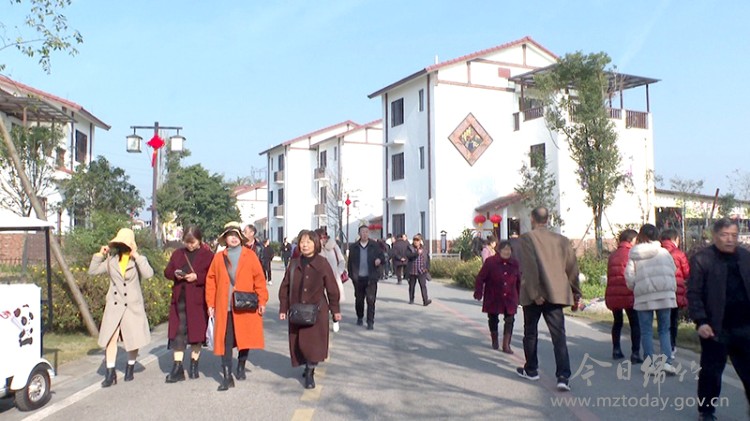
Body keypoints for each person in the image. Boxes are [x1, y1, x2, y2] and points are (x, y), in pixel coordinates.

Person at [688, 218, 750, 420]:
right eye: (725, 235)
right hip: (715, 327)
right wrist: (701, 321)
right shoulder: (702, 259)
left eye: (734, 235)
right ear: (714, 236)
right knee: (711, 372)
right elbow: (694, 293)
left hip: (744, 326)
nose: (730, 239)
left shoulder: (745, 257)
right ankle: (706, 411)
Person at [516, 207, 581, 392]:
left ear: (532, 218)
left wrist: (535, 293)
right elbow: (572, 268)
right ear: (548, 219)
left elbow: (530, 267)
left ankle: (531, 369)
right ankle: (563, 376)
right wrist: (576, 291)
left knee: (530, 333)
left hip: (534, 296)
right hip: (556, 293)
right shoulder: (562, 240)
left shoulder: (527, 238)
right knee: (558, 336)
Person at [206, 222, 269, 391]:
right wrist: (210, 303)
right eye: (230, 235)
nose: (233, 238)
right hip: (224, 306)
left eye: (236, 235)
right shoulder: (218, 258)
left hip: (245, 304)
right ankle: (227, 376)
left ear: (240, 238)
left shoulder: (250, 256)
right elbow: (211, 281)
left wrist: (262, 301)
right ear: (225, 239)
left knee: (244, 337)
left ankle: (241, 364)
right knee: (225, 341)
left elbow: (259, 280)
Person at [88, 228, 154, 387]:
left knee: (133, 339)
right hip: (115, 305)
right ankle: (110, 373)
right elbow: (92, 271)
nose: (123, 247)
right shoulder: (111, 261)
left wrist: (137, 256)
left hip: (132, 305)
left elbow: (148, 274)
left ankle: (130, 366)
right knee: (110, 338)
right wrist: (100, 255)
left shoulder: (137, 260)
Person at [279, 229, 342, 389]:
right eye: (302, 242)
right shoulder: (294, 263)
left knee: (314, 344)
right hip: (297, 310)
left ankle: (310, 372)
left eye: (308, 242)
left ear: (316, 244)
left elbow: (332, 288)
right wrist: (283, 308)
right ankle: (306, 364)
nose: (305, 245)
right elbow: (285, 287)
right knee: (299, 342)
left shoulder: (322, 263)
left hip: (317, 311)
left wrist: (335, 310)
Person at [625, 223, 677, 375]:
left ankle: (649, 364)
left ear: (641, 236)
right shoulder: (664, 253)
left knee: (646, 331)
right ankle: (667, 363)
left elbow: (629, 276)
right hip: (665, 295)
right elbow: (673, 270)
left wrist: (635, 287)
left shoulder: (634, 254)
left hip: (644, 296)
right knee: (664, 330)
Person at [163, 226, 214, 383]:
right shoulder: (178, 253)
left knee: (196, 334)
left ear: (199, 240)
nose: (190, 245)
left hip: (197, 300)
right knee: (178, 333)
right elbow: (167, 272)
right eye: (187, 242)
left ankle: (194, 364)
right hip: (180, 299)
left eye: (193, 242)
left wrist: (197, 277)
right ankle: (177, 366)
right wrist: (176, 274)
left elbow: (212, 276)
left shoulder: (207, 255)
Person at [474, 240, 520, 353]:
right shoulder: (491, 262)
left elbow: (519, 280)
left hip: (510, 297)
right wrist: (478, 292)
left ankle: (506, 344)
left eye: (509, 250)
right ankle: (494, 339)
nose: (506, 252)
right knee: (493, 318)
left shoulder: (515, 263)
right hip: (493, 295)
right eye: (504, 250)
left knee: (510, 319)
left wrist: (520, 296)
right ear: (499, 250)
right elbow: (480, 278)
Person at [605, 229, 642, 363]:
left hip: (614, 292)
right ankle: (635, 353)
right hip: (628, 292)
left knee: (617, 322)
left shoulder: (613, 255)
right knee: (634, 323)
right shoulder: (633, 254)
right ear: (631, 240)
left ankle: (616, 350)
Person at [347, 225, 385, 330]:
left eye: (367, 232)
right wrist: (352, 276)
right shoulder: (354, 247)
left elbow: (382, 257)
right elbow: (350, 263)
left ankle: (370, 322)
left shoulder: (374, 245)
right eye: (363, 232)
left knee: (371, 300)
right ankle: (360, 317)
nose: (365, 234)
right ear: (359, 234)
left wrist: (379, 260)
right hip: (358, 278)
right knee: (359, 300)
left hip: (371, 278)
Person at [660, 228, 689, 357]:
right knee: (673, 319)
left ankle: (665, 347)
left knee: (663, 321)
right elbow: (687, 272)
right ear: (675, 239)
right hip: (676, 290)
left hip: (661, 290)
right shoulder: (678, 254)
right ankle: (672, 346)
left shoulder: (657, 252)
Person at [315, 228, 346, 333]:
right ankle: (321, 322)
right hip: (319, 280)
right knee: (321, 302)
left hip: (333, 278)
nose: (322, 240)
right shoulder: (315, 249)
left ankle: (335, 320)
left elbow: (341, 261)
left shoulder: (334, 246)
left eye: (323, 237)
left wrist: (338, 272)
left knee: (334, 299)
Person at [405, 234, 433, 306]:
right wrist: (416, 253)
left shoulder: (424, 249)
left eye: (417, 240)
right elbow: (408, 256)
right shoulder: (410, 248)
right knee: (412, 286)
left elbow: (427, 259)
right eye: (414, 240)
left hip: (422, 271)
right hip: (412, 270)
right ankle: (411, 299)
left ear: (420, 241)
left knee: (423, 286)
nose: (416, 242)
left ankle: (425, 300)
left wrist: (427, 268)